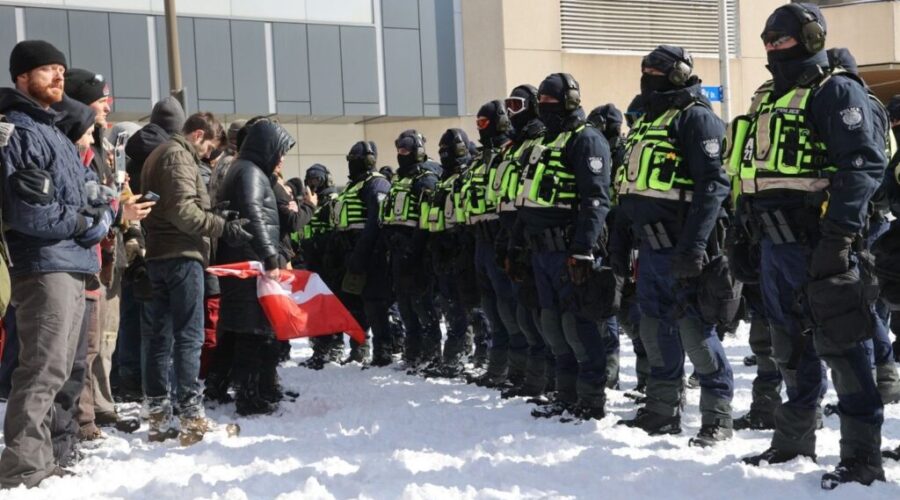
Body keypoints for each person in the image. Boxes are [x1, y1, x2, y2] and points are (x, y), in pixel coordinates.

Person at [730, 4, 886, 488]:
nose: (775, 47)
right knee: (788, 346)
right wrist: (741, 235)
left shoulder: (835, 91)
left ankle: (862, 458)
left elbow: (861, 169)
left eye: (784, 38)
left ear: (813, 37)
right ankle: (794, 439)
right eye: (768, 40)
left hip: (820, 242)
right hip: (773, 246)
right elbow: (747, 174)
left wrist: (838, 238)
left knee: (843, 345)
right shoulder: (766, 98)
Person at [0, 39, 111, 488]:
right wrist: (84, 220)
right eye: (48, 70)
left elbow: (95, 197)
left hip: (71, 261)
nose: (59, 77)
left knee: (61, 370)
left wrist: (94, 218)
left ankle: (41, 460)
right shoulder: (17, 130)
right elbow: (29, 213)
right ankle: (22, 467)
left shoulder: (56, 132)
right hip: (43, 266)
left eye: (61, 70)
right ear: (22, 77)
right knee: (42, 368)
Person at [612, 45, 735, 446]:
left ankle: (717, 418)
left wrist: (694, 247)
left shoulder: (696, 118)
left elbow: (714, 187)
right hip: (649, 250)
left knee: (695, 333)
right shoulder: (648, 122)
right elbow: (629, 191)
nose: (648, 74)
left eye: (658, 69)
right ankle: (661, 410)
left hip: (685, 248)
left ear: (681, 73)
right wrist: (620, 244)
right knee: (654, 329)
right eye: (645, 68)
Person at [140, 111, 252, 444]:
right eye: (207, 149)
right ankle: (191, 416)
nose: (206, 157)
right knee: (188, 336)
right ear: (198, 135)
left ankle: (159, 416)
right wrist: (222, 226)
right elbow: (183, 211)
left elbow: (161, 205)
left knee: (159, 338)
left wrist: (215, 213)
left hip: (159, 255)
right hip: (181, 256)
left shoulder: (157, 155)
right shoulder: (179, 155)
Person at [512, 73, 611, 421]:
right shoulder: (543, 143)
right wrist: (517, 247)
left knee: (577, 327)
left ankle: (591, 399)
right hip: (540, 252)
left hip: (570, 251)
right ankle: (564, 394)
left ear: (569, 100)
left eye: (553, 100)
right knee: (552, 326)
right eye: (543, 101)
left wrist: (583, 249)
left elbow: (596, 200)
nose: (547, 107)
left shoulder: (587, 140)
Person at [216, 118, 295, 416]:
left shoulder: (248, 169)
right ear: (267, 147)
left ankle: (251, 390)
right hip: (250, 264)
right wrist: (270, 255)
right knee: (251, 333)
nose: (282, 158)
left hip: (248, 262)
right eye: (280, 151)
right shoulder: (249, 172)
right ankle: (249, 397)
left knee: (249, 331)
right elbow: (253, 215)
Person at [381, 130, 442, 370]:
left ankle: (431, 353)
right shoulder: (400, 179)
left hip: (417, 252)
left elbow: (427, 219)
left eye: (406, 148)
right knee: (405, 306)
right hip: (398, 250)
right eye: (398, 148)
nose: (401, 153)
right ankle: (413, 352)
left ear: (418, 149)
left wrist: (414, 249)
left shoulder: (426, 177)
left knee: (422, 305)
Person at [333, 141, 394, 366]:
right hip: (351, 251)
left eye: (354, 160)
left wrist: (361, 255)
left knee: (375, 305)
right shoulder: (354, 186)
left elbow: (374, 223)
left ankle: (383, 352)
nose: (351, 165)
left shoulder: (376, 184)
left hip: (372, 253)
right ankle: (358, 348)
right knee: (354, 304)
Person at [419, 129, 473, 377]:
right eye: (440, 151)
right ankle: (453, 358)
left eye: (448, 150)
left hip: (462, 251)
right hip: (442, 253)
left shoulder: (467, 177)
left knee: (470, 311)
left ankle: (464, 358)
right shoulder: (442, 181)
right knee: (452, 310)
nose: (443, 155)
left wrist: (461, 248)